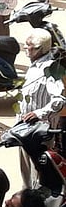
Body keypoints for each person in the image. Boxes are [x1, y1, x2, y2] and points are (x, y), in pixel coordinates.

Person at [15, 29, 64, 188]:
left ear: (39, 49)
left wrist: (38, 113)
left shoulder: (49, 70)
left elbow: (58, 100)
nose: (25, 48)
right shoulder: (34, 66)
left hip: (39, 133)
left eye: (29, 46)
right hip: (24, 130)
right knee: (25, 173)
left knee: (38, 175)